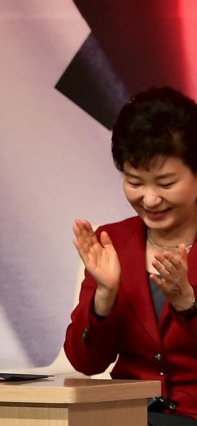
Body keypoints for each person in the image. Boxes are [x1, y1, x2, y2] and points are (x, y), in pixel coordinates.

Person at [66, 86, 197, 425]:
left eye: (165, 184)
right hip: (127, 415)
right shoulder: (113, 242)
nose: (149, 199)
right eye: (135, 182)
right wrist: (104, 299)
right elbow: (86, 363)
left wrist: (187, 304)